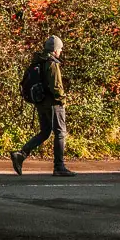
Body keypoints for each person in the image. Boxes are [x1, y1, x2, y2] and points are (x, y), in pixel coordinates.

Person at [10, 35, 75, 177]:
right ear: (55, 49)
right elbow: (56, 86)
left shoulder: (39, 60)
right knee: (60, 133)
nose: (61, 51)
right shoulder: (52, 63)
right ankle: (59, 166)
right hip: (53, 103)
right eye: (60, 48)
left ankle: (21, 154)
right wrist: (62, 100)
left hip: (41, 103)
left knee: (45, 132)